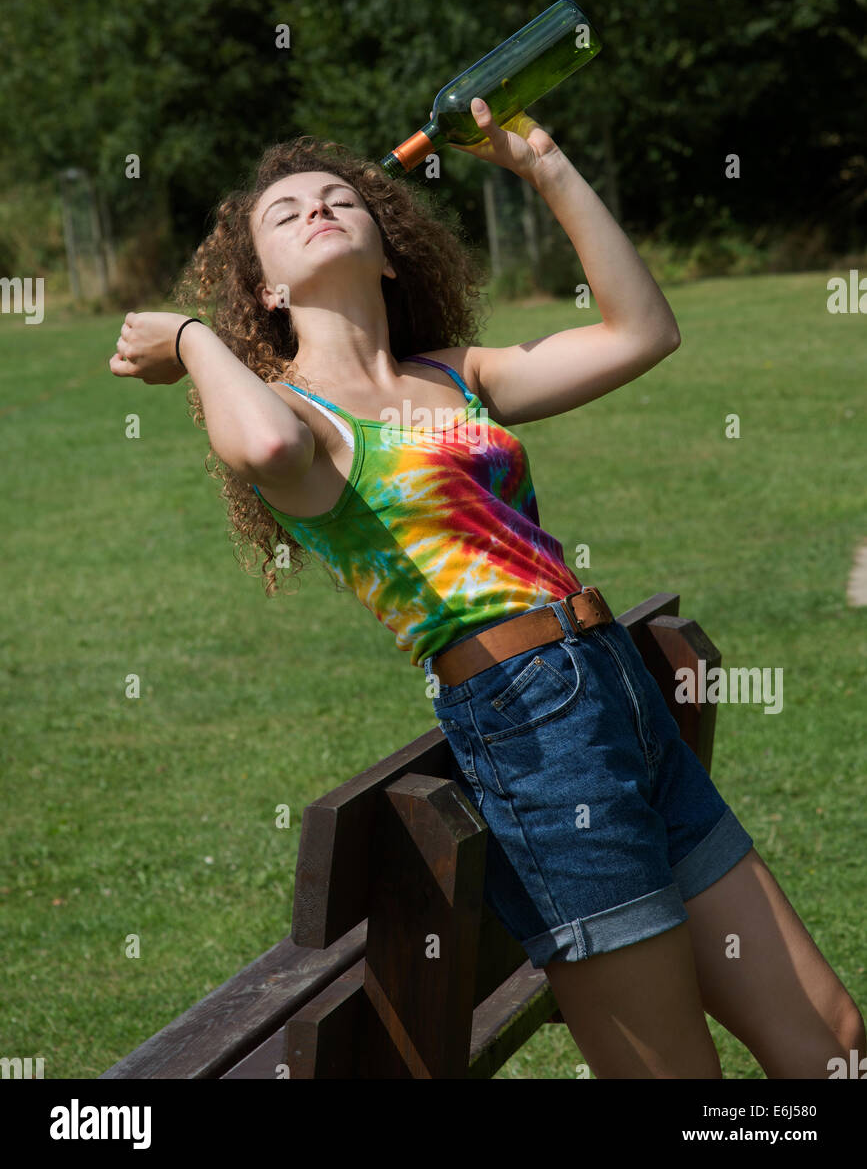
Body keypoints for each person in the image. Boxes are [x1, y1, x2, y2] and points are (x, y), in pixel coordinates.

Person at [110, 97, 865, 1080]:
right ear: (263, 292)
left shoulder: (458, 375)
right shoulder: (298, 418)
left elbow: (644, 331)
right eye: (285, 214)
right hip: (538, 738)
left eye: (341, 199)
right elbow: (262, 443)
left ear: (387, 252)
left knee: (835, 1044)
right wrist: (193, 342)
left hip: (619, 695)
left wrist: (542, 158)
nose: (319, 209)